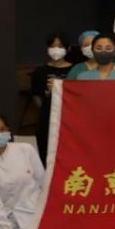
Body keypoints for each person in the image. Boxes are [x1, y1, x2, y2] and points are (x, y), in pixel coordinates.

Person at [30, 32, 73, 160]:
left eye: (60, 46)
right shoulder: (39, 72)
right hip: (46, 120)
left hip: (69, 119)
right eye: (52, 46)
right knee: (46, 153)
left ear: (68, 48)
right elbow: (36, 96)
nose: (56, 49)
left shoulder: (74, 70)